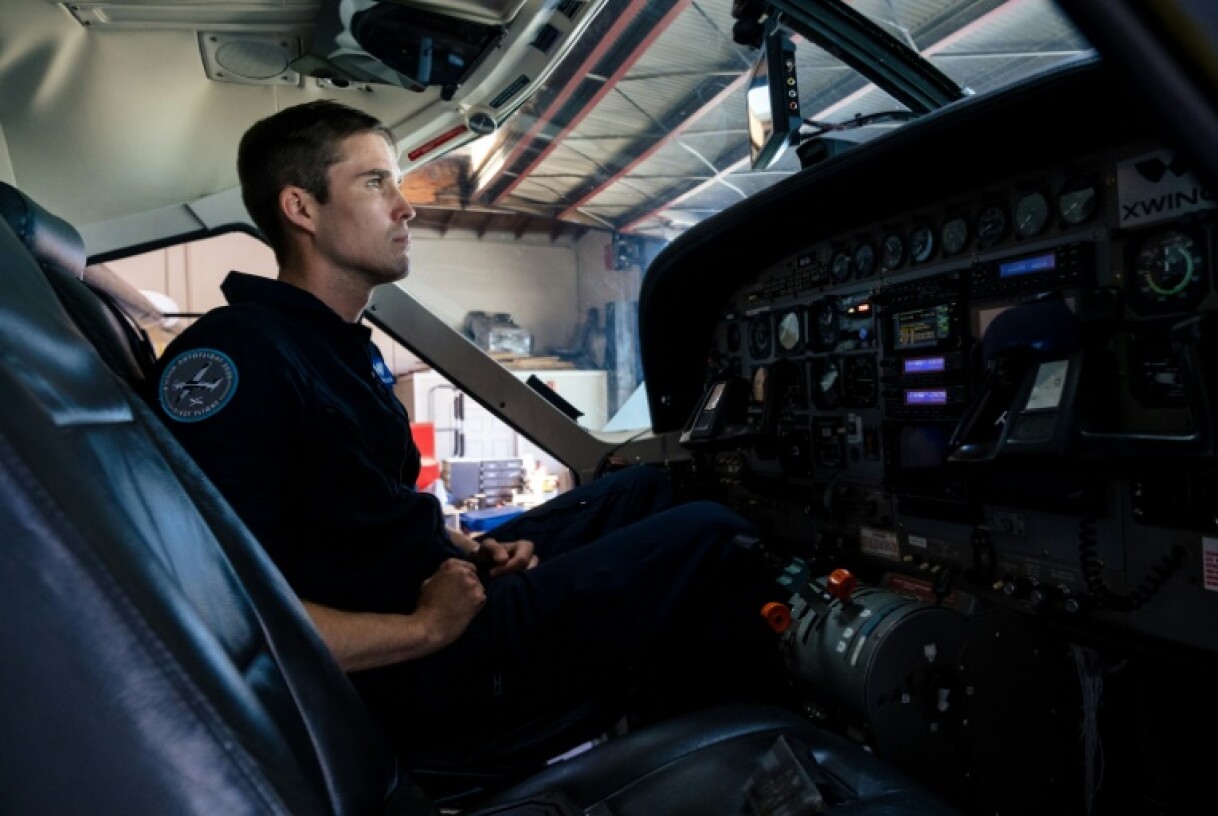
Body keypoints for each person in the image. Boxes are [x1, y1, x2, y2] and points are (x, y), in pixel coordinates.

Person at [146, 99, 789, 765]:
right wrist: (424, 628)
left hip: (440, 593)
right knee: (714, 535)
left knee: (647, 489)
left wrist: (467, 547)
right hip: (418, 669)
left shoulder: (332, 346)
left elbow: (356, 516)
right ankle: (742, 767)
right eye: (375, 183)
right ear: (301, 209)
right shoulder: (238, 357)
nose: (406, 207)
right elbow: (224, 613)